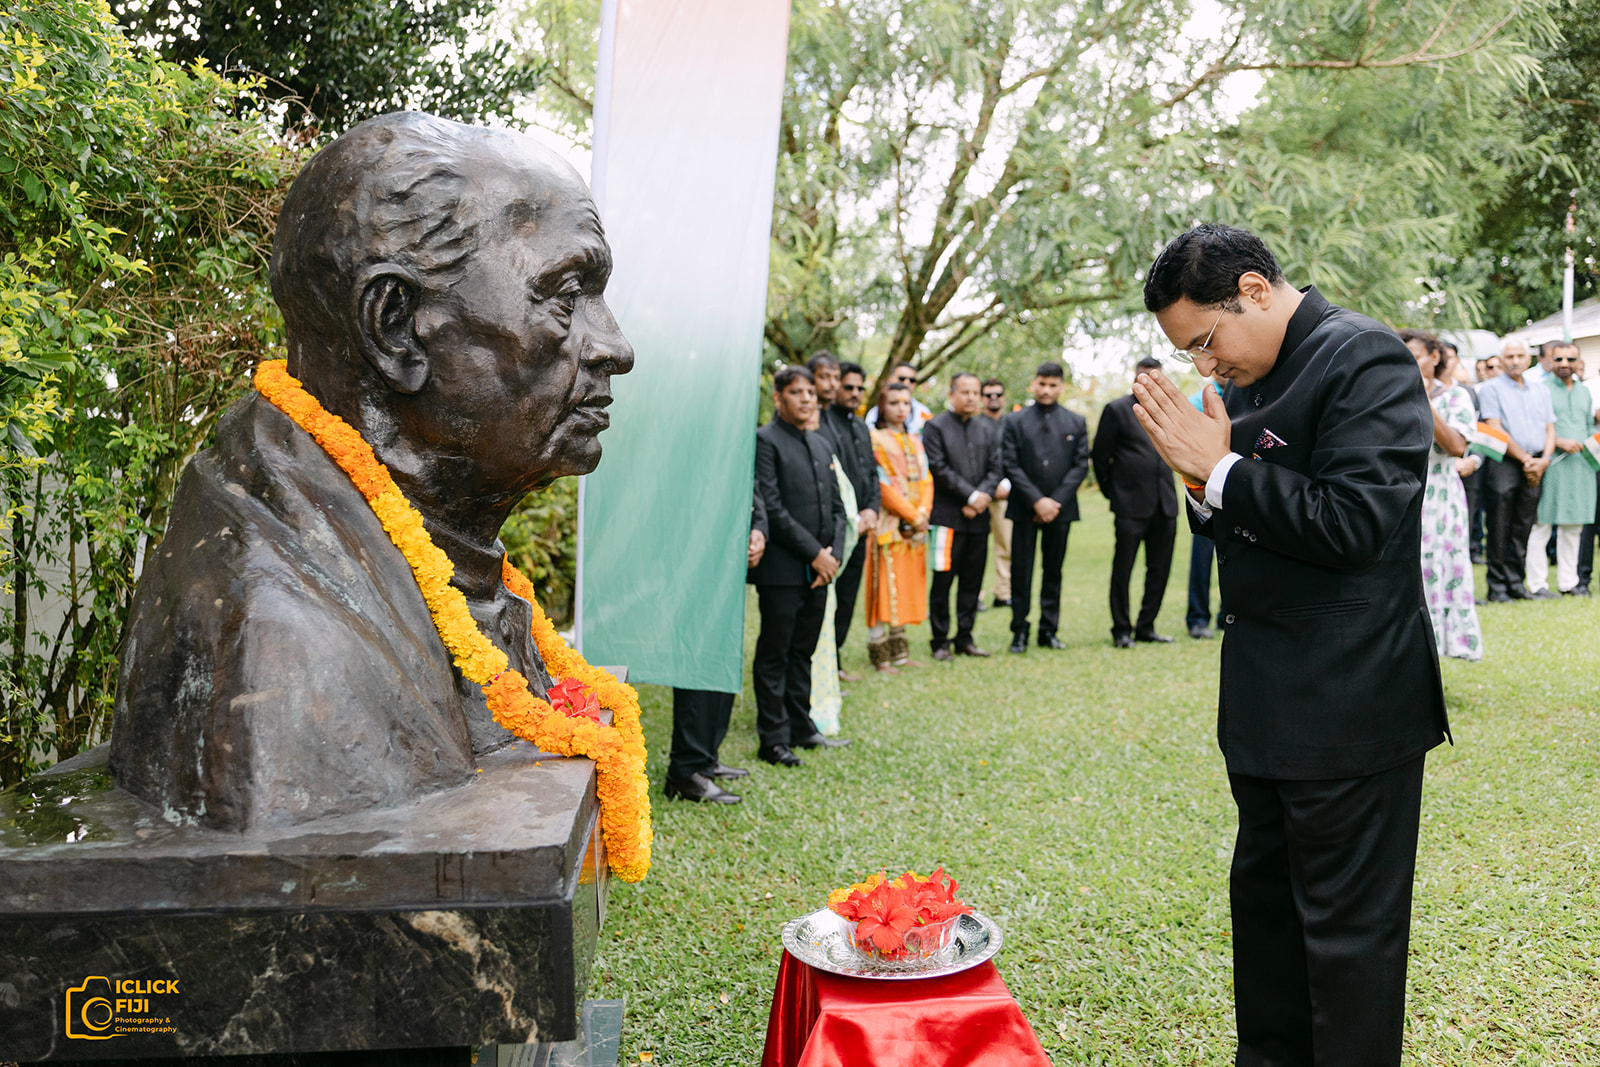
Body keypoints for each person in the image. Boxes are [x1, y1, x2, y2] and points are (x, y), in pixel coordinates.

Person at [110, 113, 637, 831]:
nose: (615, 347)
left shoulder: (427, 541)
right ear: (395, 326)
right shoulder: (275, 643)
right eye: (568, 296)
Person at [1133, 223, 1450, 1066]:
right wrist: (1201, 479)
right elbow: (1250, 524)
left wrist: (1222, 471)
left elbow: (1355, 524)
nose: (1206, 365)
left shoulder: (1363, 357)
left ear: (1254, 290)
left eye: (1206, 340)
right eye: (1190, 352)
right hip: (1267, 705)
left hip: (1350, 708)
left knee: (1347, 947)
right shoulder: (1246, 378)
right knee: (1268, 928)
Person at [748, 366, 851, 768]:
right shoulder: (765, 441)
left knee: (803, 651)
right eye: (796, 392)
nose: (807, 398)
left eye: (810, 391)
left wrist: (833, 555)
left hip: (821, 570)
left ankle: (801, 727)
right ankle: (773, 739)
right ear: (778, 398)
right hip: (782, 570)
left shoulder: (821, 443)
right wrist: (814, 554)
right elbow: (772, 507)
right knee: (776, 653)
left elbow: (838, 507)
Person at [665, 492, 767, 804]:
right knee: (699, 654)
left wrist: (758, 528)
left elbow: (753, 488)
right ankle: (687, 770)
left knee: (723, 654)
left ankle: (707, 757)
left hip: (728, 555)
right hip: (697, 551)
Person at [1400, 329, 1483, 660]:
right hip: (1400, 492)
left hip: (1440, 495)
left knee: (1441, 566)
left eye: (1415, 355)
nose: (1408, 362)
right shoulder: (1392, 396)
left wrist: (1422, 399)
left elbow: (1456, 446)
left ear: (1434, 357)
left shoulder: (1455, 397)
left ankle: (1442, 645)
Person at [1001, 362, 1090, 653]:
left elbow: (1080, 465)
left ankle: (1048, 631)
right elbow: (1010, 463)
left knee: (1053, 572)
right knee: (1021, 572)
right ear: (1034, 384)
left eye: (1053, 385)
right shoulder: (1014, 421)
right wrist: (1037, 500)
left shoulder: (1075, 422)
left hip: (1060, 509)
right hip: (1024, 507)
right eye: (1042, 384)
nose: (1046, 390)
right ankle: (1019, 631)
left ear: (1061, 387)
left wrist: (1055, 502)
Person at [1092, 356, 1180, 647]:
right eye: (1144, 376)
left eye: (1155, 377)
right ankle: (1121, 630)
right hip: (1130, 505)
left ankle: (1146, 627)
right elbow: (1100, 458)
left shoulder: (1169, 410)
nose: (1149, 382)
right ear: (1135, 378)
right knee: (1123, 568)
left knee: (1160, 570)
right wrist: (1114, 492)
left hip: (1165, 503)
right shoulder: (1117, 409)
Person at [922, 372, 1004, 659]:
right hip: (947, 519)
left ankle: (965, 637)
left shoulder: (987, 428)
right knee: (943, 581)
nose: (971, 398)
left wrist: (981, 498)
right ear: (952, 393)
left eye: (975, 393)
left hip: (979, 519)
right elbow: (938, 467)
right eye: (965, 392)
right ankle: (940, 640)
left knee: (972, 581)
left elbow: (997, 467)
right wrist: (970, 497)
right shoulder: (935, 426)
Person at [815, 357, 881, 674]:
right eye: (848, 387)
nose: (854, 393)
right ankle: (823, 662)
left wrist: (872, 510)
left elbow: (872, 474)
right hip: (836, 526)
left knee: (849, 595)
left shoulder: (861, 426)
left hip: (862, 525)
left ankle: (836, 657)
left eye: (859, 388)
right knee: (830, 596)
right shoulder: (821, 422)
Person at [1478, 339, 1556, 601]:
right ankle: (1498, 587)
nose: (1515, 361)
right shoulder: (1490, 388)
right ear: (1501, 360)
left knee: (1524, 524)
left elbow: (1550, 428)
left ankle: (1516, 584)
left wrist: (1544, 459)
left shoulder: (1541, 390)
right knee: (1499, 524)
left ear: (1529, 358)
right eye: (1509, 356)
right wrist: (1525, 459)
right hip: (1505, 462)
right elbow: (1494, 427)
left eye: (1520, 355)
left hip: (1537, 463)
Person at [863, 382, 932, 671]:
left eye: (906, 403)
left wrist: (922, 513)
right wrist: (912, 516)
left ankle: (900, 653)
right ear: (882, 406)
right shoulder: (875, 438)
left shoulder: (915, 440)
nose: (901, 408)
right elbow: (882, 484)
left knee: (904, 585)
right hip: (888, 525)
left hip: (914, 528)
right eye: (893, 403)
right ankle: (880, 654)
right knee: (883, 586)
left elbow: (927, 479)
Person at [1526, 341, 1597, 597]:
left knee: (1574, 526)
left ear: (1579, 362)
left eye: (1570, 359)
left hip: (1581, 465)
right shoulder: (1540, 389)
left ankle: (1568, 582)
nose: (1565, 364)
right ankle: (1538, 583)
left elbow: (1588, 426)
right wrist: (1559, 441)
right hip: (1551, 464)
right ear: (1549, 362)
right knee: (1542, 524)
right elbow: (1534, 427)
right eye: (1559, 359)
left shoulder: (1584, 391)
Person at [1185, 376, 1225, 638]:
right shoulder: (1197, 401)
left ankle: (1226, 615)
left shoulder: (1249, 394)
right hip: (1206, 488)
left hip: (1239, 485)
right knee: (1201, 558)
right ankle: (1198, 618)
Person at [980, 378, 1015, 608]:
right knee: (977, 548)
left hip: (1005, 494)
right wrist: (986, 489)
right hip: (979, 496)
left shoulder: (1011, 424)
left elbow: (1015, 457)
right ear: (982, 398)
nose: (994, 399)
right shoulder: (974, 424)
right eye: (989, 395)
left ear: (1004, 397)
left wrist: (1007, 484)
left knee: (1005, 545)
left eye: (998, 394)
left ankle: (1003, 592)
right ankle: (976, 595)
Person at [865, 361, 933, 436]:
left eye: (912, 380)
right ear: (890, 379)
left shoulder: (923, 412)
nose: (907, 383)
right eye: (902, 378)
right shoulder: (875, 414)